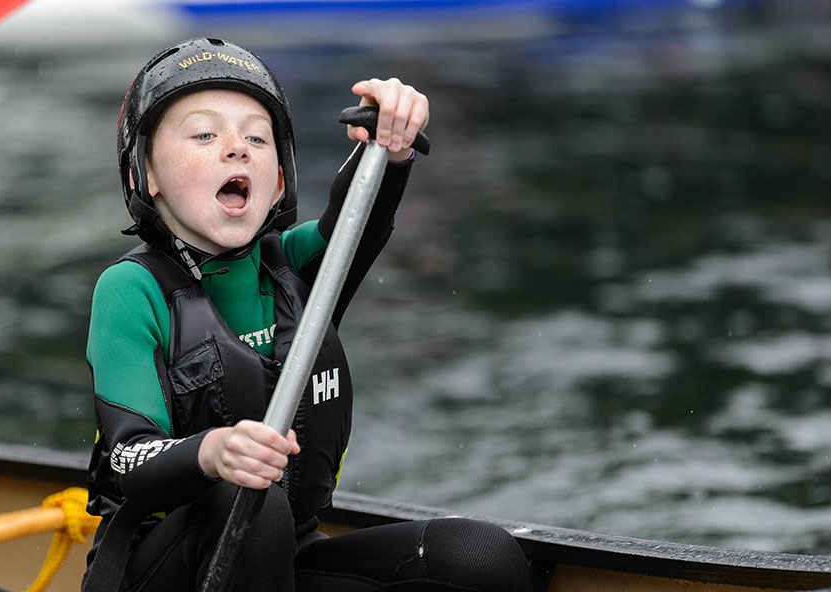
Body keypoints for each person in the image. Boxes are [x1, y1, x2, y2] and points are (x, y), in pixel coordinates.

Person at [83, 38, 532, 592]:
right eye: (204, 134)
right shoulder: (130, 289)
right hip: (162, 571)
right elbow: (128, 456)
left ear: (276, 181)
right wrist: (212, 452)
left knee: (479, 559)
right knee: (247, 498)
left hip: (286, 559)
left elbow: (360, 218)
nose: (236, 148)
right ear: (145, 176)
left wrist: (391, 146)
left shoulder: (300, 271)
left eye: (257, 136)